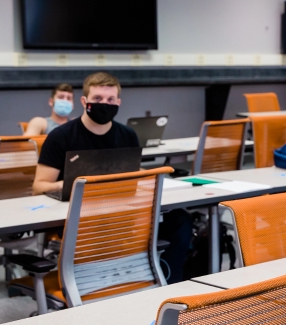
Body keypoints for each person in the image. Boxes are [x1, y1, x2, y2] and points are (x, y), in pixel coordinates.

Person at [33, 72, 192, 284]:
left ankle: (167, 288)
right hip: (81, 216)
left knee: (180, 221)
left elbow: (132, 181)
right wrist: (78, 184)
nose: (104, 104)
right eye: (97, 99)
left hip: (120, 211)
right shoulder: (61, 137)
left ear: (118, 103)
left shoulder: (127, 135)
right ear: (84, 101)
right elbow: (38, 186)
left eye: (110, 100)